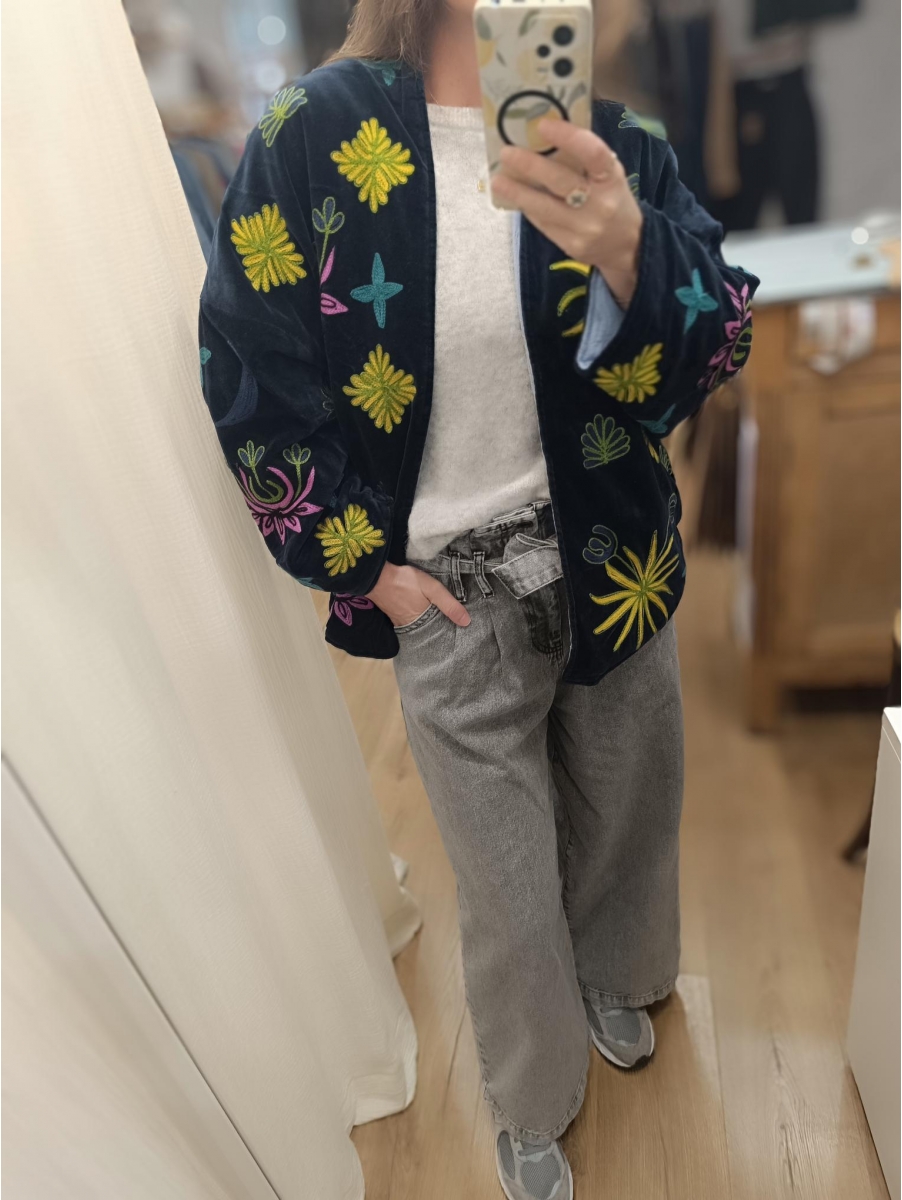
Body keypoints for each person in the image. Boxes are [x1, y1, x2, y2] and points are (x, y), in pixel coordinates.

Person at [198, 2, 758, 1196]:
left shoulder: (620, 143)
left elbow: (711, 347)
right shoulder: (318, 134)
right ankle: (532, 1096)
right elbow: (251, 359)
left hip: (611, 558)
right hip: (447, 595)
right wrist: (362, 566)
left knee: (628, 806)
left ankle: (618, 978)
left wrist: (631, 250)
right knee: (505, 891)